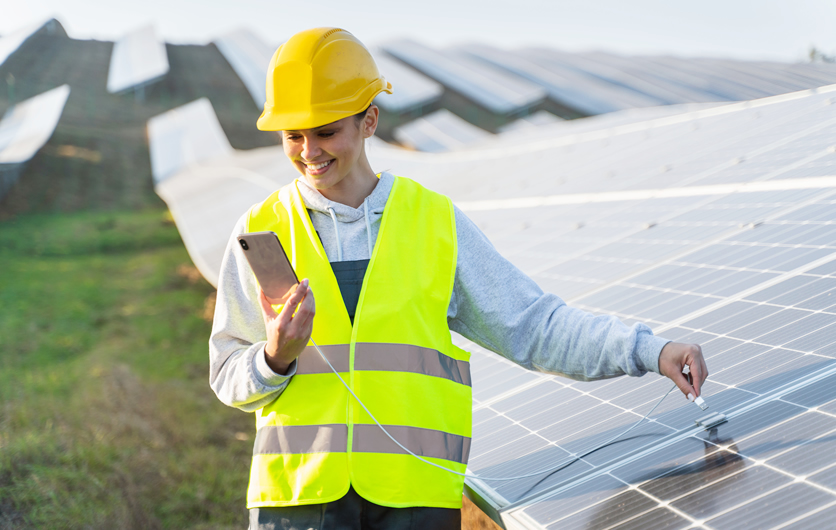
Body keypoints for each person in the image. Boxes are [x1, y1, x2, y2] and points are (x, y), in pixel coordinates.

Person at [209, 27, 708, 530]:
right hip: (297, 502)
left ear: (369, 121)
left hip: (415, 501)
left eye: (326, 131)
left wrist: (648, 349)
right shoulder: (260, 230)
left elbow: (533, 327)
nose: (309, 151)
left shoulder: (433, 222)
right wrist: (274, 358)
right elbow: (226, 372)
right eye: (293, 135)